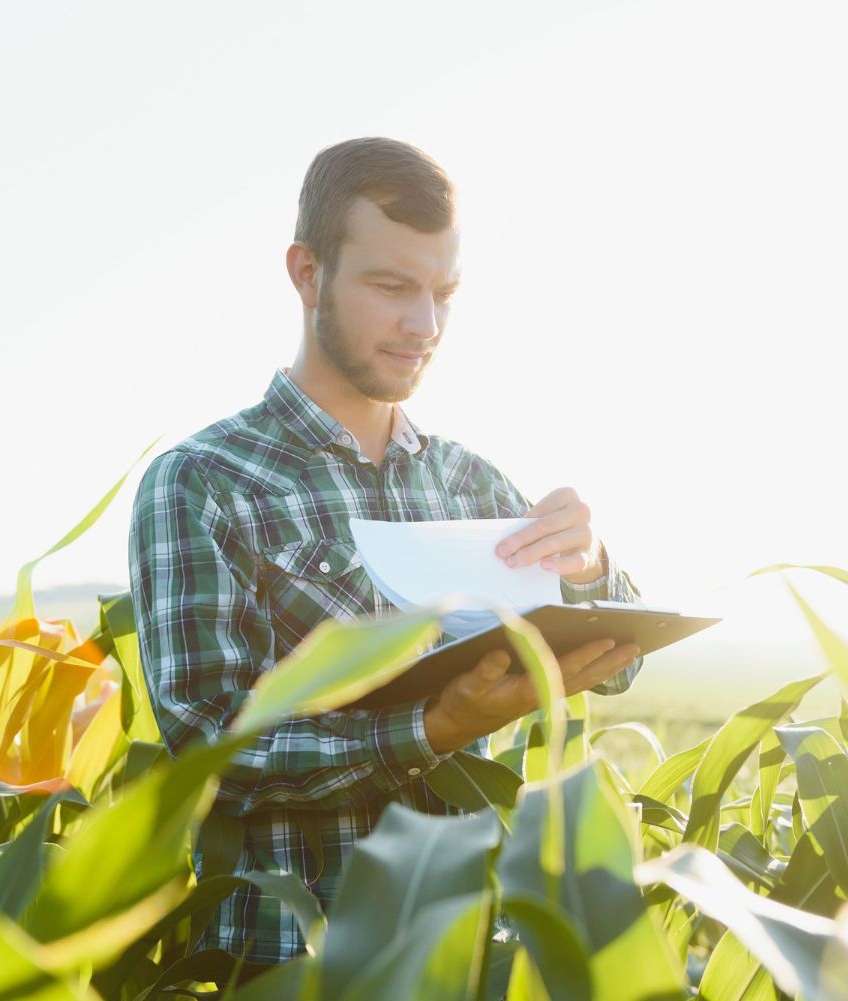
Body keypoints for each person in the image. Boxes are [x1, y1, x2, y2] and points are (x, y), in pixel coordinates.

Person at [127, 136, 646, 968]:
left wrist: (590, 568)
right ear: (306, 273)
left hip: (470, 957)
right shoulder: (203, 484)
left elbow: (619, 667)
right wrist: (432, 727)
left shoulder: (472, 485)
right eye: (392, 286)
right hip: (289, 963)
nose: (425, 325)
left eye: (444, 293)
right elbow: (213, 753)